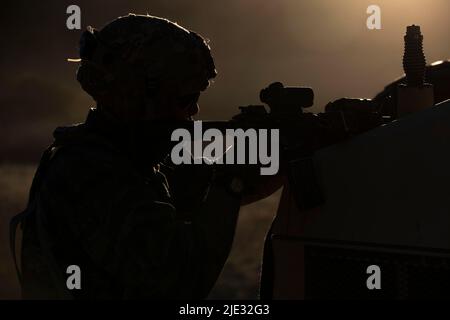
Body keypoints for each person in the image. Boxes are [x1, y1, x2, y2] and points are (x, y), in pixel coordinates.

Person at [13, 14, 281, 299]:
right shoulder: (87, 172)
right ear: (139, 95)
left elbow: (180, 202)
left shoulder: (124, 158)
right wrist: (231, 183)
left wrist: (247, 180)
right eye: (184, 99)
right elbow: (179, 280)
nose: (193, 112)